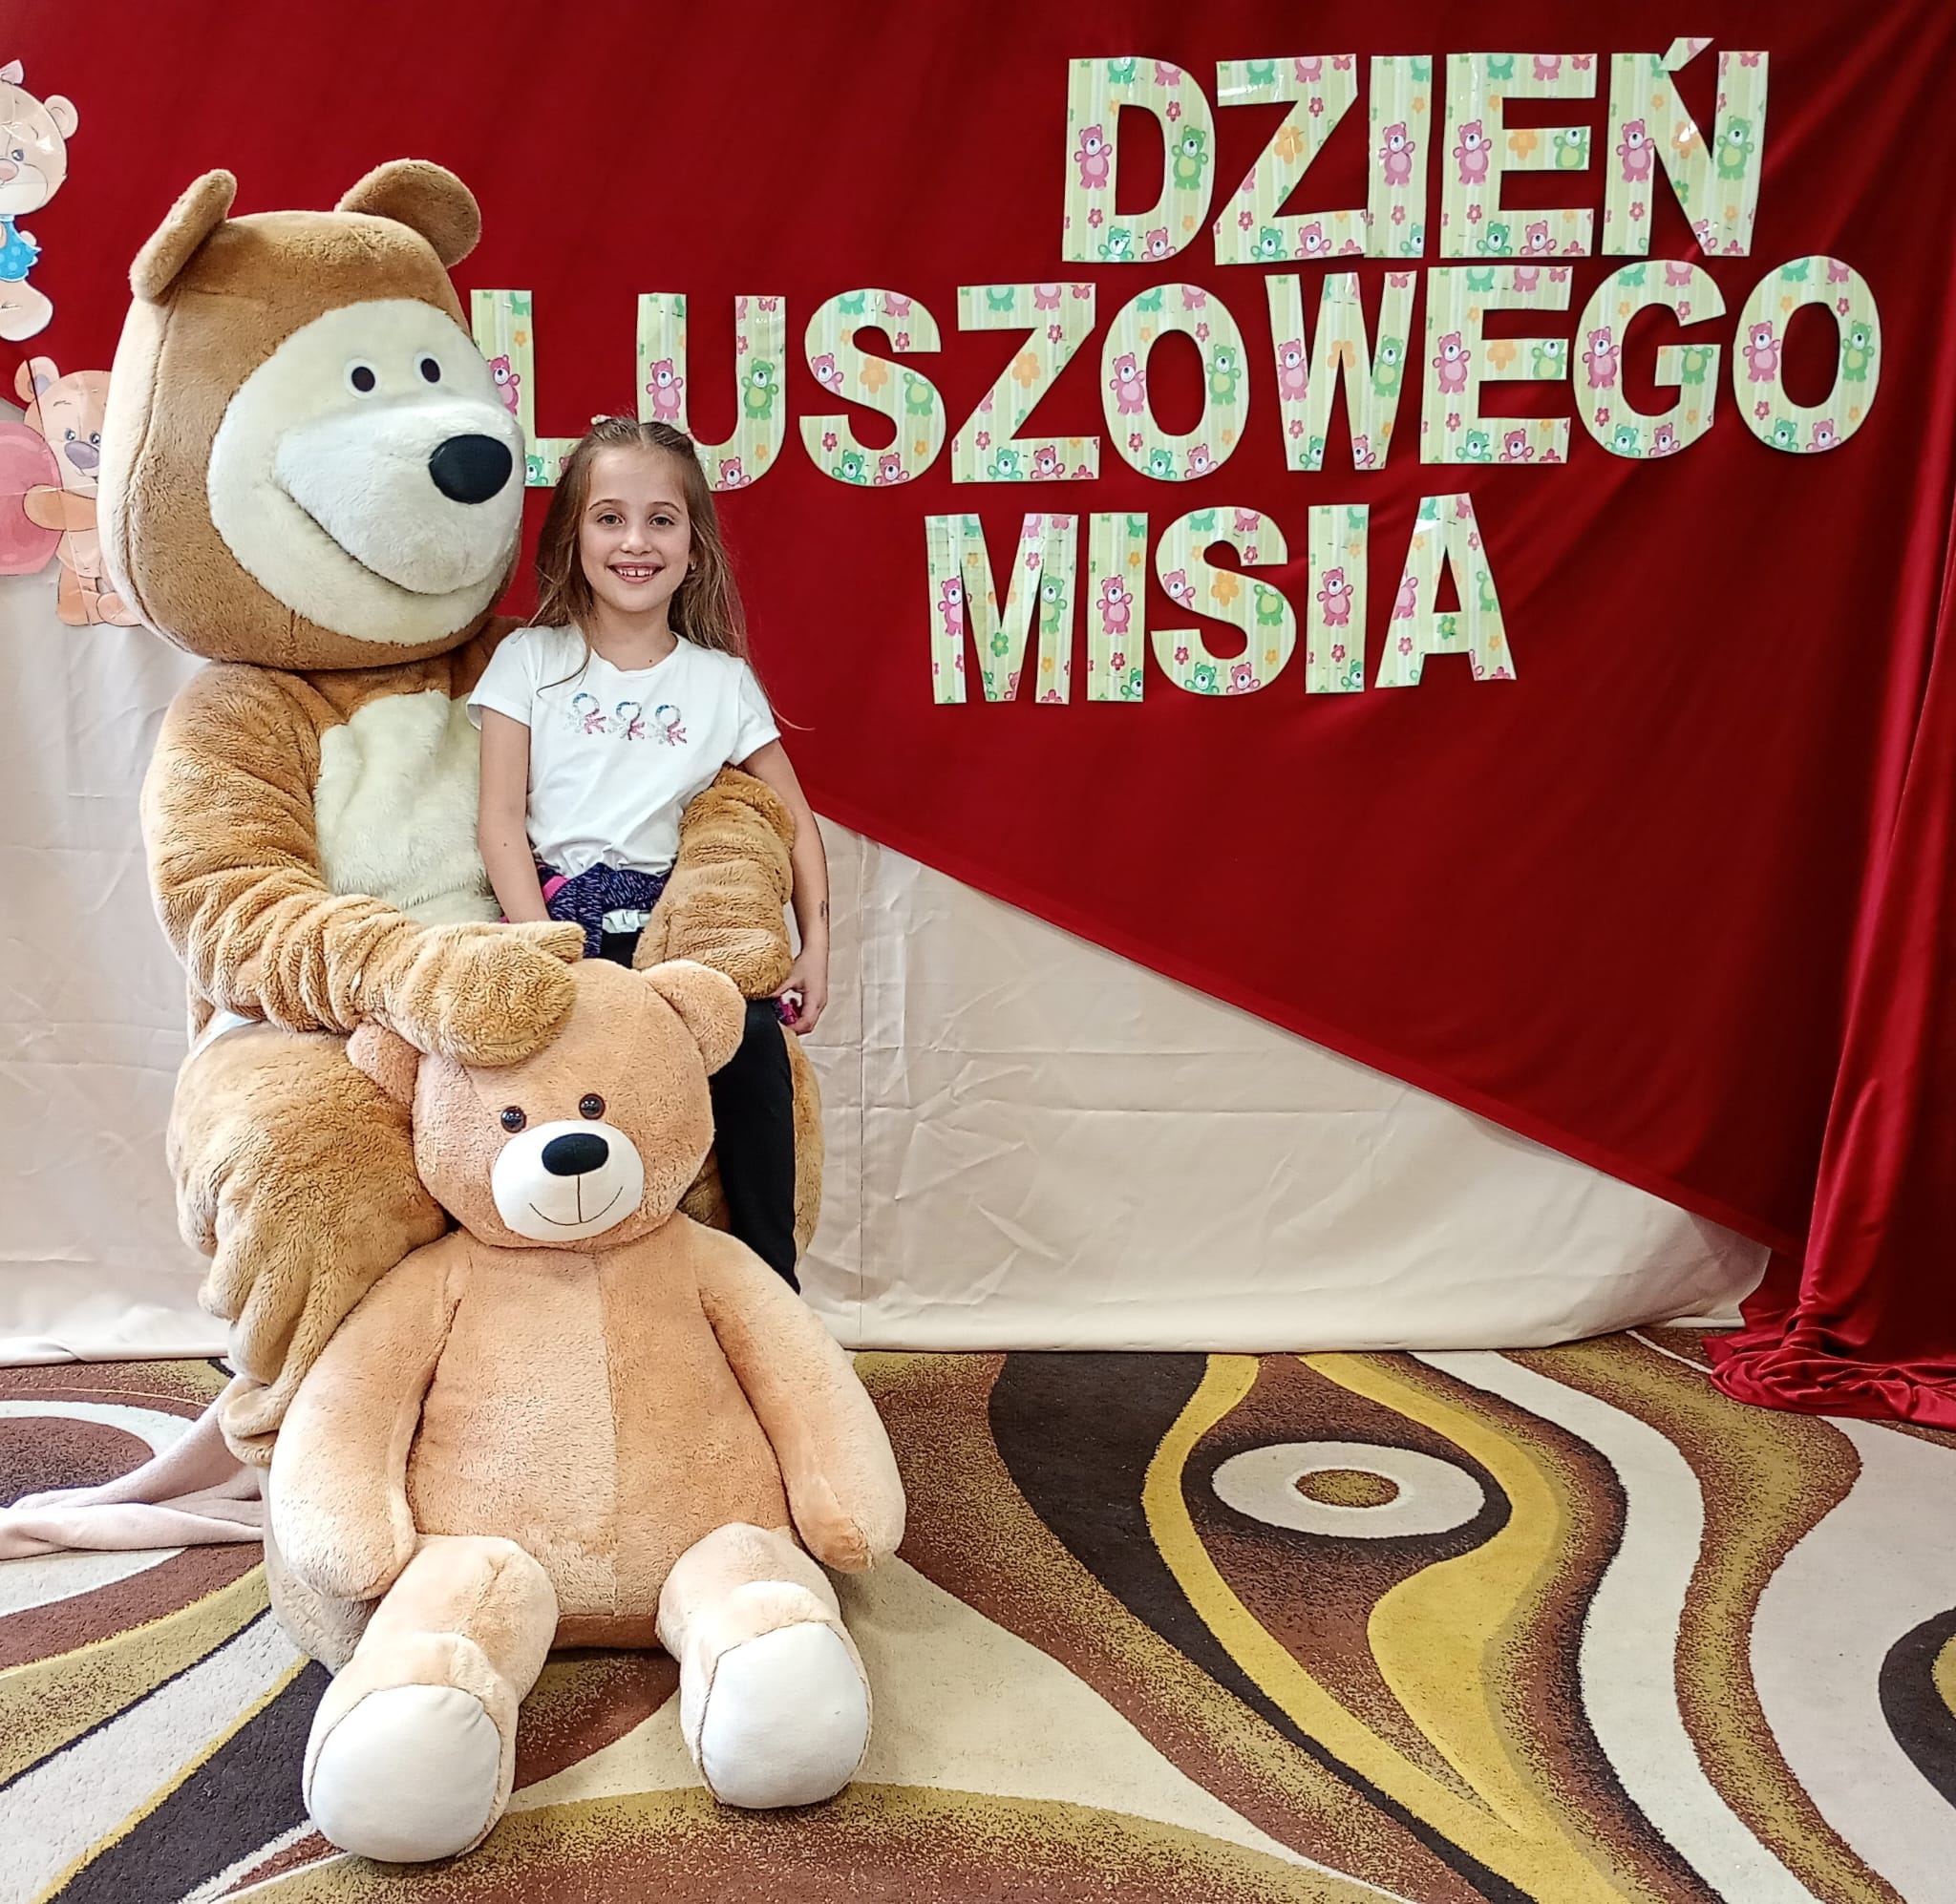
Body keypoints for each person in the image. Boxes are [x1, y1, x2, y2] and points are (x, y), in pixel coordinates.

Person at [471, 416, 826, 1288]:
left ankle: (770, 1289)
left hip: (679, 927)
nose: (636, 541)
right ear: (574, 537)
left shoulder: (720, 682)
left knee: (751, 1041)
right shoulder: (529, 662)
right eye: (610, 518)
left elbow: (795, 819)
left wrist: (816, 945)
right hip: (558, 916)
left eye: (661, 520)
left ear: (693, 547)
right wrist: (546, 944)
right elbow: (499, 821)